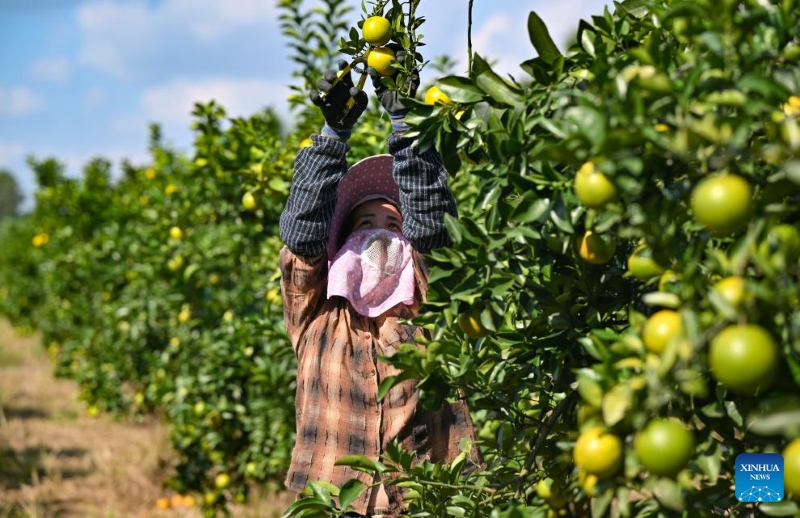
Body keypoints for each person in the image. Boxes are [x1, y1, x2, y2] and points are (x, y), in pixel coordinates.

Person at [278, 52, 482, 518]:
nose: (378, 233)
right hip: (332, 503)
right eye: (363, 223)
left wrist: (407, 122)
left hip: (424, 502)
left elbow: (432, 228)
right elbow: (302, 235)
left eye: (392, 224)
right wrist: (333, 137)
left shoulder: (428, 308)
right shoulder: (315, 313)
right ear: (342, 244)